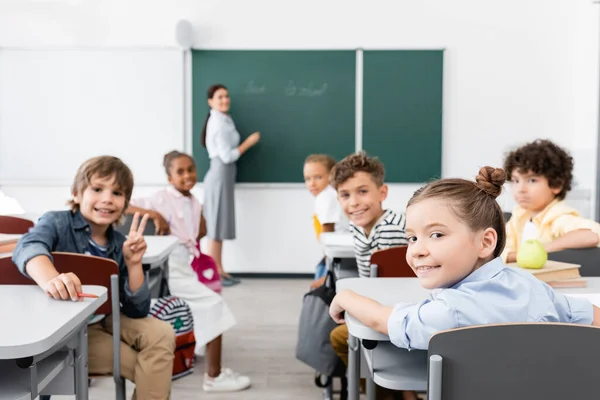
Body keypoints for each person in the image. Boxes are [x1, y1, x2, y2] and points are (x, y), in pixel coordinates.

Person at [329, 166, 600, 354]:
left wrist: (345, 296)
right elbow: (590, 316)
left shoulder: (449, 311)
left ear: (485, 242)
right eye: (411, 238)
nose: (417, 250)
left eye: (436, 234)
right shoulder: (532, 286)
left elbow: (383, 320)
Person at [12, 156, 175, 400]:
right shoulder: (57, 222)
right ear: (77, 194)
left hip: (104, 320)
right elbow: (28, 247)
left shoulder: (120, 243)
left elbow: (137, 310)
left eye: (117, 193)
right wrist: (52, 279)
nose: (108, 199)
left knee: (162, 332)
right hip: (69, 332)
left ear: (125, 202)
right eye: (97, 189)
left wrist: (133, 263)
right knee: (148, 366)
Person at [127, 150, 250, 392]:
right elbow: (124, 206)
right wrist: (153, 215)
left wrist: (201, 221)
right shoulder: (160, 198)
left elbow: (196, 233)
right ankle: (214, 377)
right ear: (169, 177)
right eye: (180, 172)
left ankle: (195, 353)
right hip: (168, 267)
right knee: (214, 305)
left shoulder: (195, 201)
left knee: (205, 304)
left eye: (190, 170)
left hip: (185, 265)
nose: (187, 175)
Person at [327, 152, 409, 399]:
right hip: (382, 305)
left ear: (382, 193)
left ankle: (383, 393)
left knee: (340, 337)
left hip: (393, 311)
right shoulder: (358, 225)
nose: (353, 202)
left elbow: (390, 286)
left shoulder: (391, 230)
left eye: (362, 192)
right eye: (345, 195)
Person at [502, 139, 600, 262]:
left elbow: (591, 235)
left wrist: (540, 249)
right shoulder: (520, 215)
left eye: (532, 180)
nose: (521, 189)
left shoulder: (558, 217)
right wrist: (514, 256)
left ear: (556, 184)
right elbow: (500, 249)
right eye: (516, 180)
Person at [201, 83, 261, 286]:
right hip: (220, 174)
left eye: (226, 96)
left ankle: (221, 269)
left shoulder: (224, 119)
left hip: (225, 176)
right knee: (216, 226)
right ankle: (214, 272)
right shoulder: (217, 123)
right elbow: (227, 156)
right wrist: (249, 142)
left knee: (221, 224)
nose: (225, 100)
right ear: (211, 101)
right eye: (220, 97)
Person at [303, 154, 345, 283]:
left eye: (318, 177)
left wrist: (327, 265)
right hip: (338, 249)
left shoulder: (326, 196)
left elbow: (328, 228)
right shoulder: (328, 194)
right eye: (307, 179)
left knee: (322, 286)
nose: (312, 183)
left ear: (331, 176)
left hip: (336, 251)